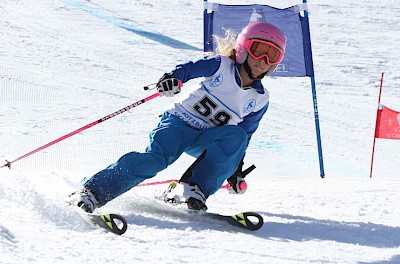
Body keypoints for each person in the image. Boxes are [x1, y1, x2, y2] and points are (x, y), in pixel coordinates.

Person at [68, 21, 286, 212]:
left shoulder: (260, 99)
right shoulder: (221, 66)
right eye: (259, 50)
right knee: (155, 161)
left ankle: (191, 189)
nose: (263, 60)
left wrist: (235, 168)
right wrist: (173, 78)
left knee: (236, 136)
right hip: (179, 124)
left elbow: (244, 137)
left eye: (272, 55)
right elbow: (190, 69)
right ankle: (92, 192)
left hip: (207, 138)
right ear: (243, 48)